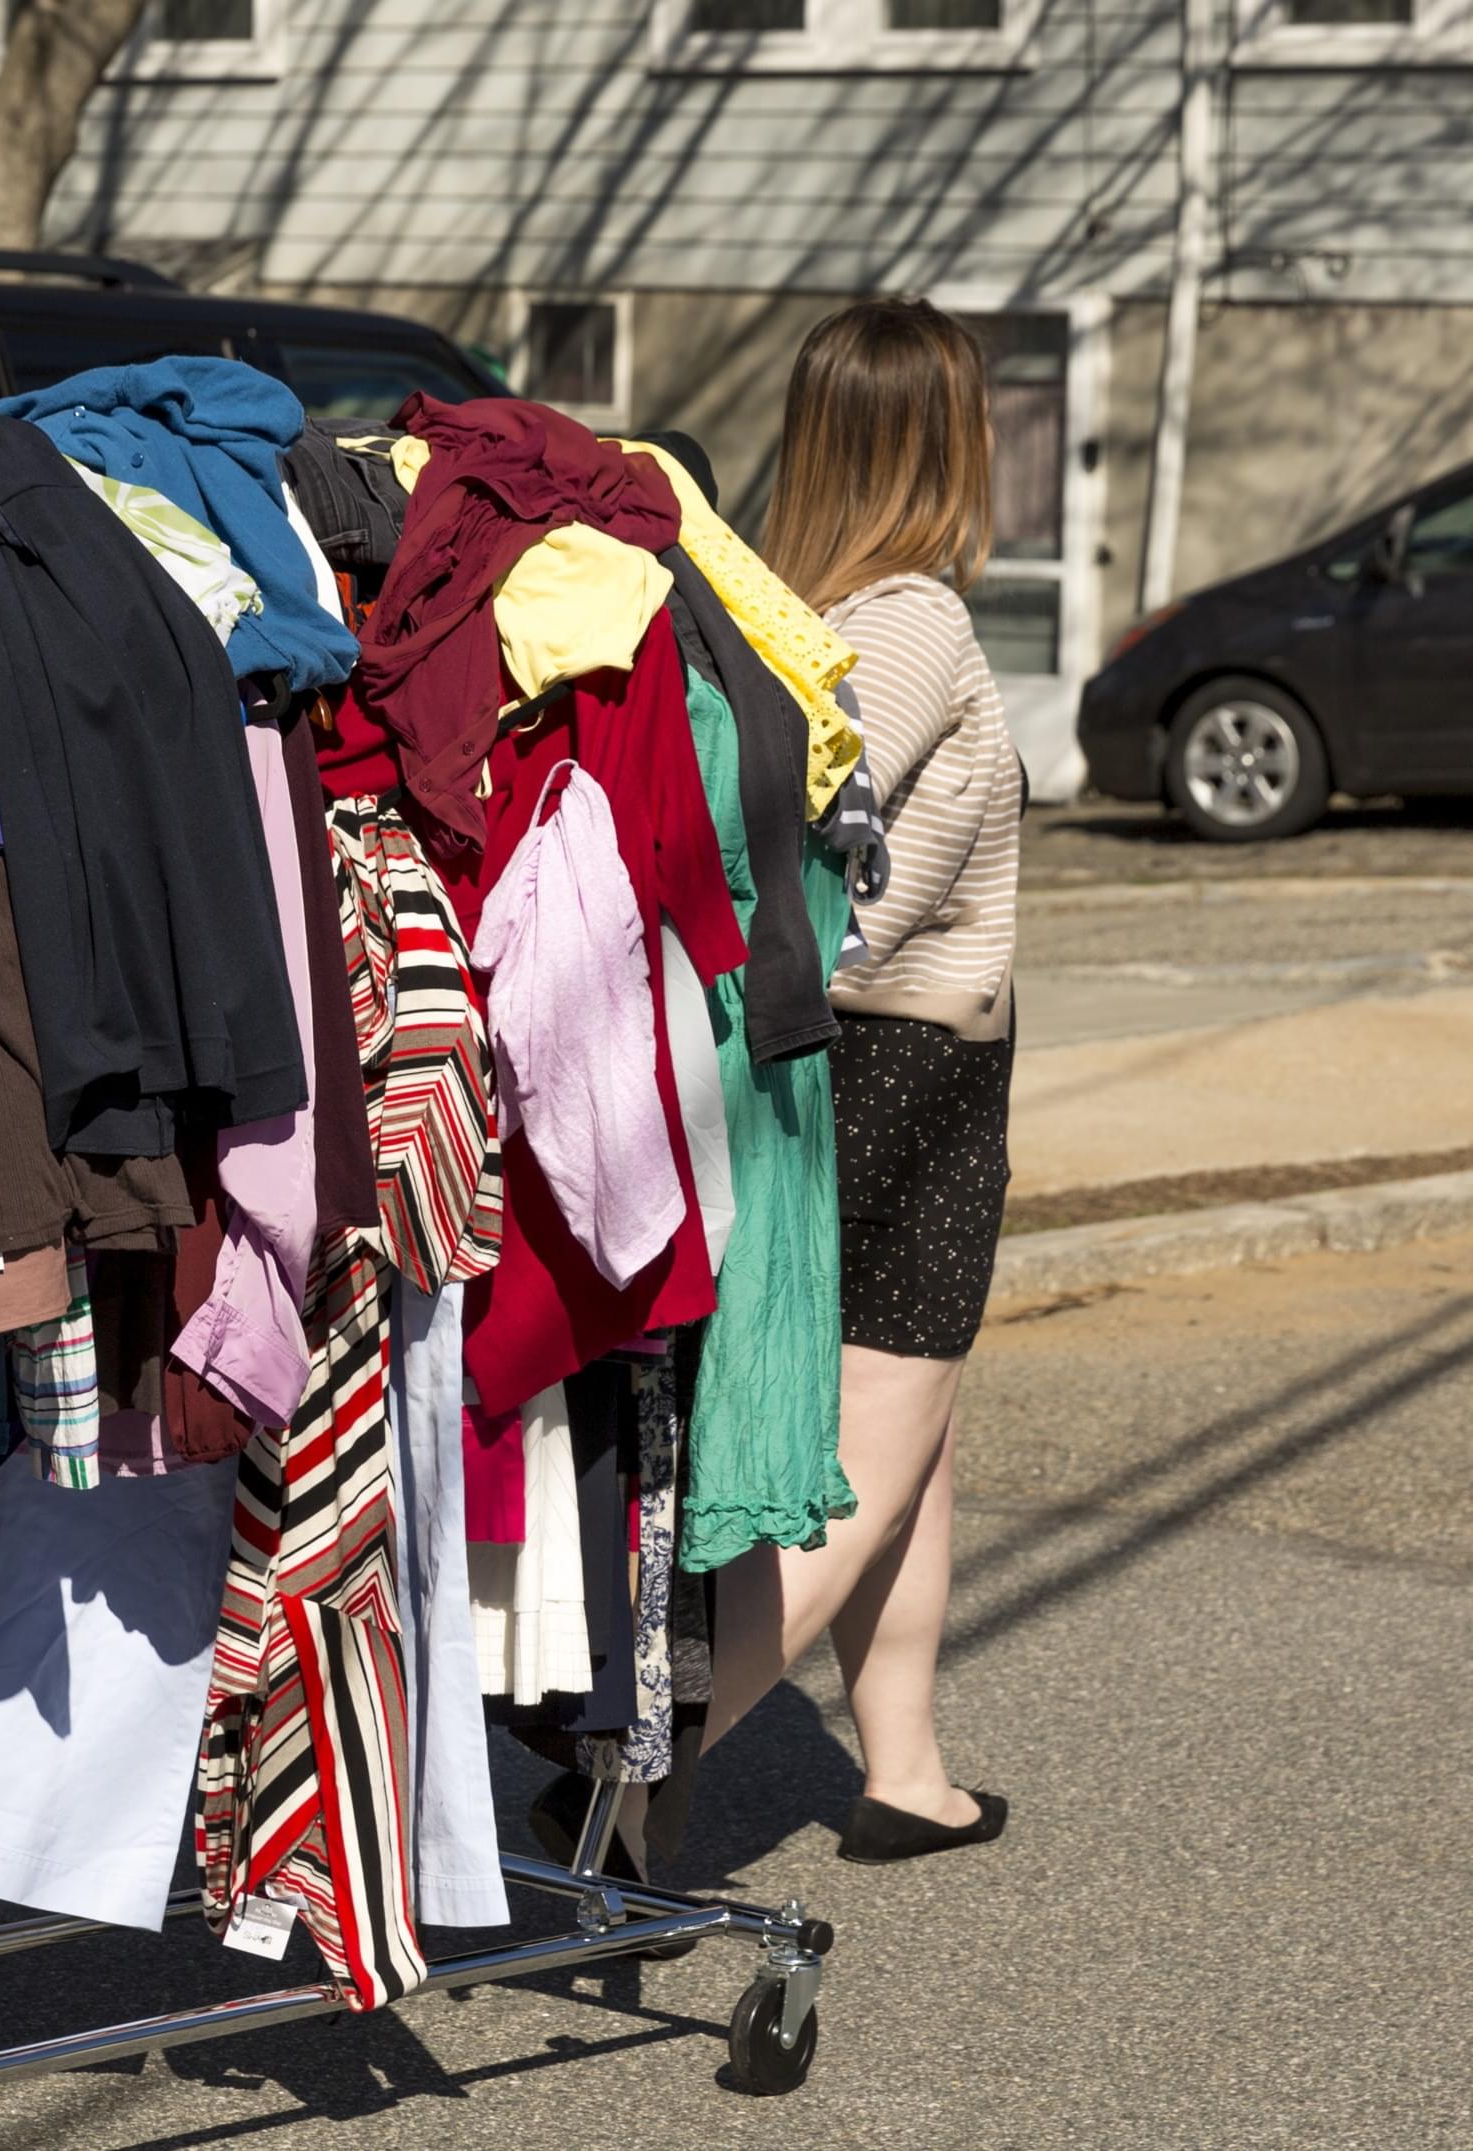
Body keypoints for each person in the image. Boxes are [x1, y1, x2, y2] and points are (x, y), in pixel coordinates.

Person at [697, 295, 1024, 1863]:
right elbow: (812, 828)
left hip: (865, 1060)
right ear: (940, 440)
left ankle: (904, 1771)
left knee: (921, 1440)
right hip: (902, 1064)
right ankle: (639, 1758)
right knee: (868, 1440)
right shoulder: (912, 621)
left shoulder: (782, 603)